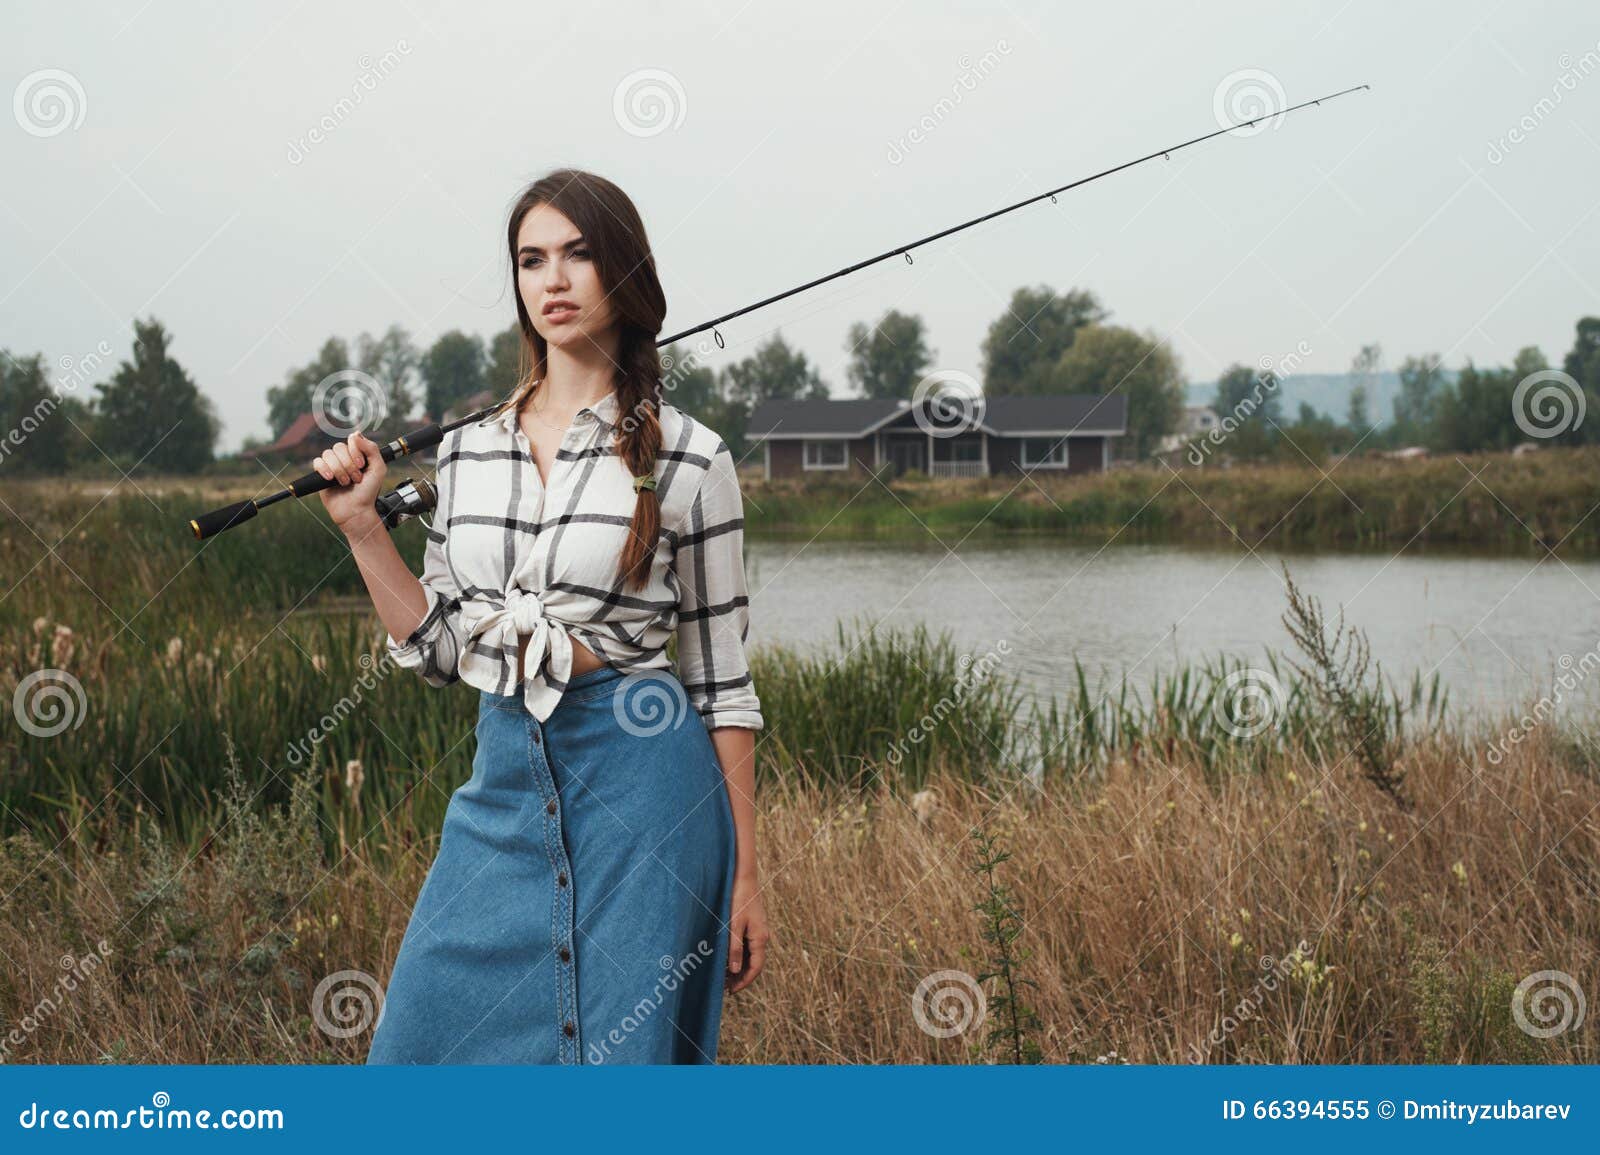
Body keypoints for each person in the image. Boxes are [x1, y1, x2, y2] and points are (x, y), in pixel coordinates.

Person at [313, 168, 769, 1064]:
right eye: (531, 260)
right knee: (414, 1053)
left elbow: (723, 687)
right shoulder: (468, 451)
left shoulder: (692, 458)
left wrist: (748, 875)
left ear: (624, 273)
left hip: (650, 795)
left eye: (578, 254)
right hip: (503, 784)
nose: (552, 280)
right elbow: (443, 648)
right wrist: (366, 529)